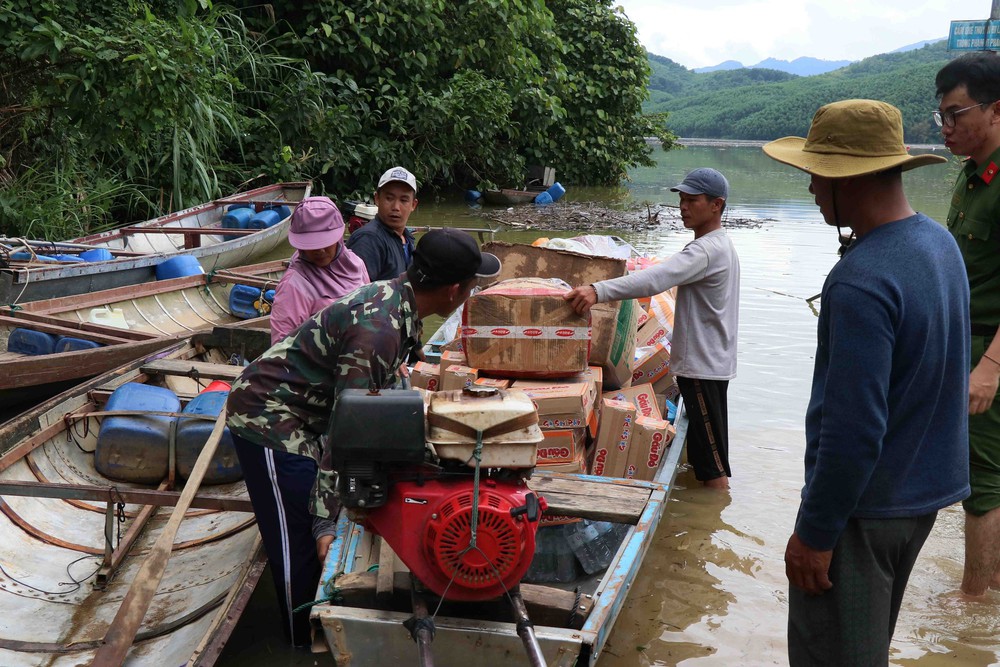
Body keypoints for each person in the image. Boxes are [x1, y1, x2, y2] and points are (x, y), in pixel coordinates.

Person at [762, 99, 970, 666]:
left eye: (815, 174)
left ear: (845, 178)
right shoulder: (941, 245)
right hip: (921, 498)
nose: (810, 188)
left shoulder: (860, 280)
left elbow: (852, 431)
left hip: (863, 511)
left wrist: (815, 533)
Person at [226, 228, 500, 647]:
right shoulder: (378, 331)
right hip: (268, 416)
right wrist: (324, 517)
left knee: (319, 512)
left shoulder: (398, 298)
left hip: (311, 413)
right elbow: (347, 426)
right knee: (298, 540)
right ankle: (301, 641)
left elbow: (377, 398)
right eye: (471, 286)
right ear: (453, 291)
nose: (470, 293)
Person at [564, 167, 740, 489]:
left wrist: (597, 290)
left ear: (716, 205)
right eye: (682, 199)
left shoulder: (705, 250)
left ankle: (715, 507)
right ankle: (701, 511)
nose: (683, 207)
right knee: (705, 454)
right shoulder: (720, 245)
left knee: (713, 465)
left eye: (693, 200)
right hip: (711, 364)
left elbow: (656, 279)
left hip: (702, 368)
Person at [935, 52, 1000, 598]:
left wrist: (990, 367)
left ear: (996, 110)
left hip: (989, 352)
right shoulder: (973, 175)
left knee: (984, 482)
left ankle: (973, 602)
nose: (946, 126)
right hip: (966, 346)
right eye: (942, 116)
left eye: (957, 114)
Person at [269, 196, 369, 344]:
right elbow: (282, 348)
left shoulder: (356, 265)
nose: (320, 250)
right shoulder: (294, 285)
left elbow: (370, 315)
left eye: (326, 242)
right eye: (312, 244)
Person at [345, 166, 419, 281]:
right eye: (389, 198)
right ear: (377, 199)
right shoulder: (369, 239)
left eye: (403, 200)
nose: (396, 207)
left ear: (413, 205)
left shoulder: (406, 237)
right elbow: (356, 289)